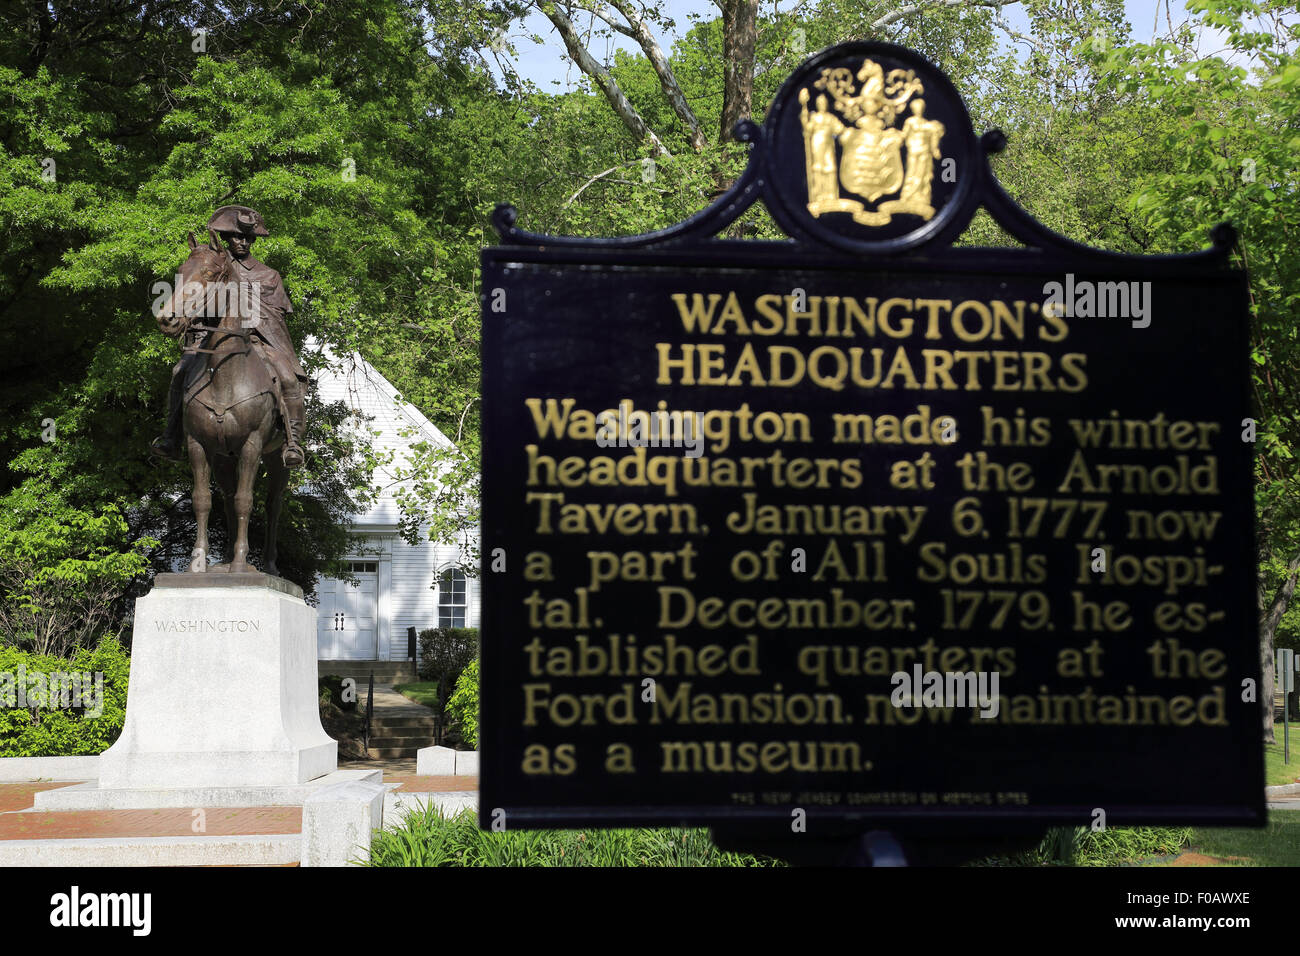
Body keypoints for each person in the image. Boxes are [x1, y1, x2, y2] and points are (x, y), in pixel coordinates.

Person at [151, 205, 306, 467]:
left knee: (289, 378)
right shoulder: (209, 266)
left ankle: (293, 443)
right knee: (180, 371)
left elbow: (276, 316)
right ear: (226, 239)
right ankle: (171, 437)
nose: (242, 242)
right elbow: (195, 301)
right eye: (236, 237)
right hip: (211, 339)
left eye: (247, 237)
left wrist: (254, 325)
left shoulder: (269, 275)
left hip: (259, 341)